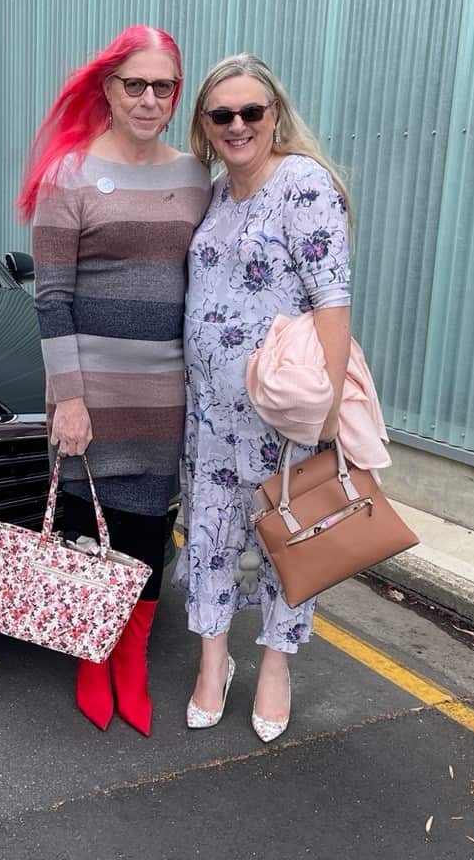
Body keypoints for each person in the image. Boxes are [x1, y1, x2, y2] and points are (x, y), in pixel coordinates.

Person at [19, 25, 212, 735]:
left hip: (166, 392)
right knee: (86, 525)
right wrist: (68, 397)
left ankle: (129, 659)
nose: (150, 98)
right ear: (107, 88)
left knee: (148, 529)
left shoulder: (195, 174)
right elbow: (52, 298)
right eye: (136, 84)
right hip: (90, 393)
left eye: (164, 85)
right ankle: (91, 655)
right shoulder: (67, 175)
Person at [177, 54, 353, 742]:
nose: (239, 125)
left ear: (275, 113)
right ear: (207, 125)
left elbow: (333, 306)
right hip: (211, 416)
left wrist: (329, 416)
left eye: (253, 111)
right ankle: (213, 662)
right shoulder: (217, 194)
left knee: (290, 544)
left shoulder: (304, 184)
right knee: (210, 539)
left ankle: (276, 665)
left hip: (284, 417)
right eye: (223, 114)